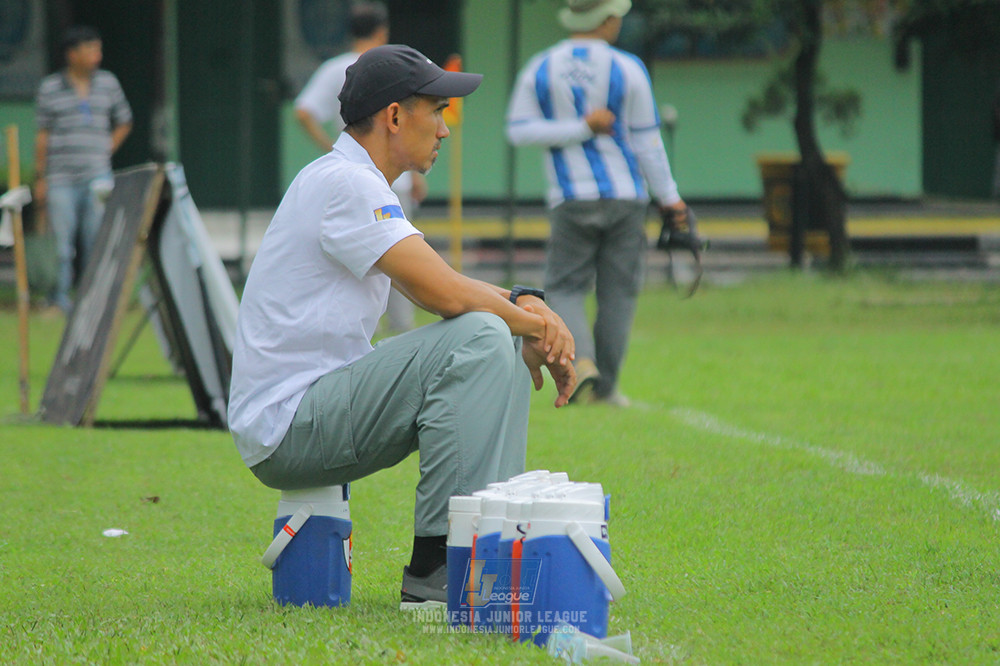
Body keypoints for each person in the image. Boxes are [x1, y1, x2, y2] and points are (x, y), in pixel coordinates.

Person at [229, 45, 576, 608]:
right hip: (290, 422)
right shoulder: (347, 183)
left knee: (494, 331)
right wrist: (532, 323)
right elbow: (441, 293)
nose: (444, 130)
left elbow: (443, 280)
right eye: (435, 111)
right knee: (484, 333)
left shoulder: (351, 179)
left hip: (306, 410)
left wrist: (526, 307)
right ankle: (438, 568)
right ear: (394, 116)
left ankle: (484, 553)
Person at [506, 0, 688, 407]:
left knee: (565, 286)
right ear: (606, 20)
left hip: (571, 197)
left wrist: (575, 129)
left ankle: (582, 361)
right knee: (618, 293)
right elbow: (648, 141)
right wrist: (671, 200)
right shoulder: (628, 68)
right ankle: (605, 387)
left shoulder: (540, 66)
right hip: (627, 197)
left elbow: (518, 131)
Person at [294, 1, 425, 334]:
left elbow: (304, 111)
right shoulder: (395, 67)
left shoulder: (336, 68)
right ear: (382, 31)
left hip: (357, 172)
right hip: (387, 180)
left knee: (363, 262)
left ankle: (369, 331)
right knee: (401, 261)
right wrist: (412, 172)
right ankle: (401, 329)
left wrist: (332, 147)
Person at [34, 25, 133, 313]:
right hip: (60, 176)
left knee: (97, 239)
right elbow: (43, 135)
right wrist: (41, 178)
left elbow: (125, 120)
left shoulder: (108, 83)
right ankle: (60, 300)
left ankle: (92, 301)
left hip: (97, 174)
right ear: (72, 54)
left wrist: (107, 148)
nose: (96, 56)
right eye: (90, 49)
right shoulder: (50, 88)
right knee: (62, 244)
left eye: (98, 49)